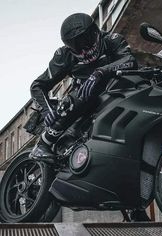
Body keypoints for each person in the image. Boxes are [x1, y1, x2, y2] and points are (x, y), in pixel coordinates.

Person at [29, 13, 138, 160]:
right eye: (77, 47)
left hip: (115, 92)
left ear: (96, 32)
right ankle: (43, 144)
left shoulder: (113, 40)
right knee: (83, 93)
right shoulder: (63, 55)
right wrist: (48, 112)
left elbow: (130, 60)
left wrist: (101, 71)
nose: (84, 51)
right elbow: (37, 85)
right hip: (82, 100)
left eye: (86, 42)